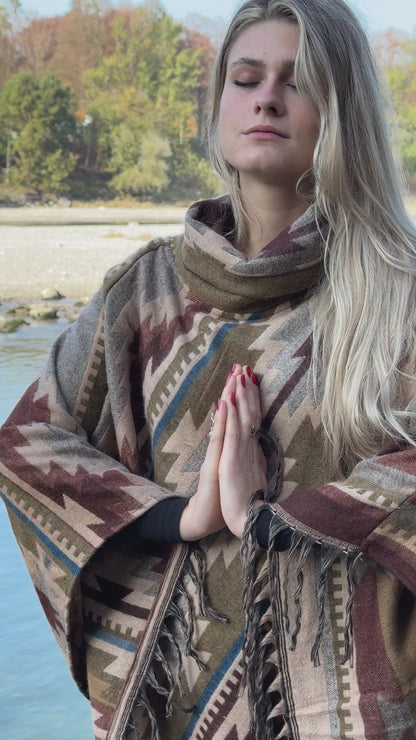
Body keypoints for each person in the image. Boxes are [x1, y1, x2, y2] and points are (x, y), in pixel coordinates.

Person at [1, 0, 416, 736]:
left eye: (299, 80)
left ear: (342, 107)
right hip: (179, 708)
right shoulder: (143, 293)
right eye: (246, 77)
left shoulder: (397, 292)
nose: (267, 96)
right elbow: (26, 446)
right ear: (218, 104)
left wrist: (285, 522)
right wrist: (178, 515)